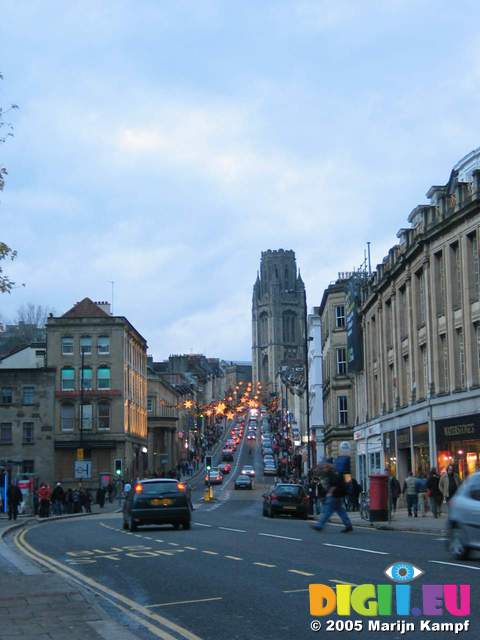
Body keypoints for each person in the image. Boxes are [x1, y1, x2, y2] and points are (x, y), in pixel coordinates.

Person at [312, 460, 353, 533]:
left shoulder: (332, 473)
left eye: (324, 466)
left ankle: (319, 525)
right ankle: (348, 525)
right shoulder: (337, 472)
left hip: (334, 495)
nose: (324, 468)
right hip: (339, 495)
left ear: (328, 466)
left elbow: (334, 484)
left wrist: (329, 493)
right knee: (341, 511)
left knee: (327, 511)